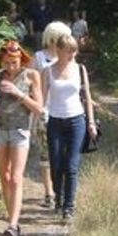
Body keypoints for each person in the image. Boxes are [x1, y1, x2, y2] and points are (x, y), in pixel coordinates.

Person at [0, 40, 44, 236]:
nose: (11, 66)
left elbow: (39, 109)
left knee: (16, 177)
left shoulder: (31, 76)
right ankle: (12, 221)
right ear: (2, 60)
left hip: (20, 130)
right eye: (7, 62)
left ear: (22, 59)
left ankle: (13, 225)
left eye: (15, 62)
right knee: (5, 176)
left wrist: (18, 93)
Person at [42, 34, 97, 223]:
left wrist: (90, 122)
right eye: (69, 50)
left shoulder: (80, 70)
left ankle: (69, 207)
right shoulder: (48, 71)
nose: (73, 53)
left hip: (76, 120)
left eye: (75, 50)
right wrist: (39, 119)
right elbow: (41, 100)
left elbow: (87, 96)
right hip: (55, 122)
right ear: (59, 50)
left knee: (71, 166)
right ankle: (59, 195)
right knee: (56, 165)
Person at [32, 21, 72, 209]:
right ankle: (49, 191)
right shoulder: (39, 58)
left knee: (63, 154)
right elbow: (31, 82)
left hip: (65, 111)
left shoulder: (69, 59)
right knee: (46, 154)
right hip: (44, 111)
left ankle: (62, 190)